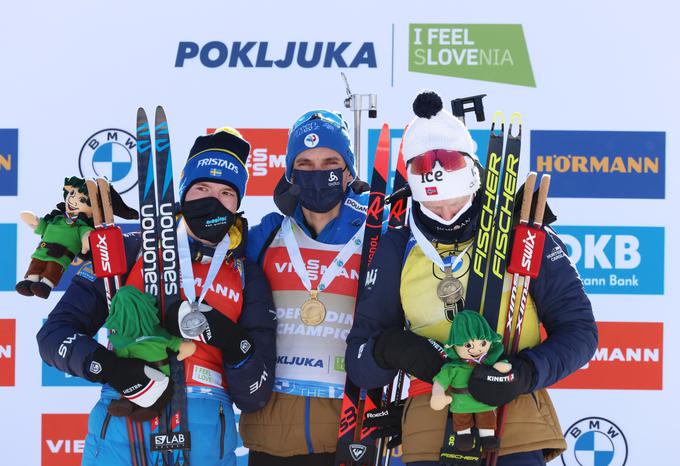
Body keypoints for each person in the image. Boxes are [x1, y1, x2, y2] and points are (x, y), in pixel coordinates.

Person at [345, 91, 598, 466]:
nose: (445, 212)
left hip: (512, 425)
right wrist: (391, 349)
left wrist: (524, 372)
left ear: (475, 180)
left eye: (456, 200)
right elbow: (359, 360)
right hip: (428, 429)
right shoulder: (398, 242)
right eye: (433, 205)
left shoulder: (522, 232)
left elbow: (580, 332)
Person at [37, 128, 276, 466]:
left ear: (238, 203)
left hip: (206, 439)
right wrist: (111, 368)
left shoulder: (246, 274)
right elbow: (53, 336)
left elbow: (256, 394)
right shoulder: (132, 246)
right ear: (182, 191)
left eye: (226, 192)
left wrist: (234, 342)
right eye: (202, 188)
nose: (213, 200)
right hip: (125, 429)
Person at [240, 110, 367, 466]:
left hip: (350, 432)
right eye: (305, 163)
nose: (318, 171)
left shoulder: (374, 235)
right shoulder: (266, 235)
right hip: (273, 432)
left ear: (348, 171)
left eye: (330, 161)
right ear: (290, 174)